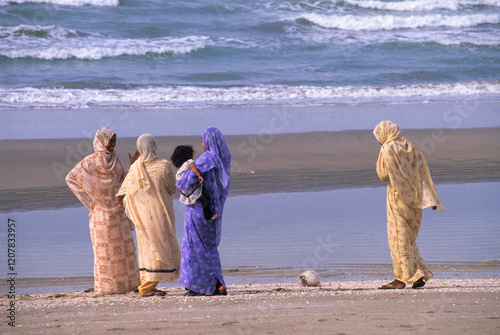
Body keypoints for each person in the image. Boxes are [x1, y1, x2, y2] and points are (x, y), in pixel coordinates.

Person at [65, 127, 140, 294]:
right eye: (109, 141)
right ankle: (107, 288)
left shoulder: (116, 160)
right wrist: (91, 202)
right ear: (100, 141)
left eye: (114, 141)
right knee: (104, 253)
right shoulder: (90, 162)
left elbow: (123, 182)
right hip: (101, 215)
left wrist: (133, 166)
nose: (112, 144)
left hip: (119, 213)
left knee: (123, 251)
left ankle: (129, 285)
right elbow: (71, 179)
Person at [373, 120, 444, 289]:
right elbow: (422, 172)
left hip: (398, 198)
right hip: (416, 199)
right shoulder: (411, 146)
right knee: (408, 240)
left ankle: (402, 279)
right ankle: (418, 274)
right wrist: (431, 197)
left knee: (398, 240)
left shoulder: (387, 148)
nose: (378, 140)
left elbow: (383, 175)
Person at [116, 133, 181, 297]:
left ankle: (147, 285)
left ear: (139, 149)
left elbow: (120, 196)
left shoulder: (134, 169)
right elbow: (173, 188)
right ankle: (146, 287)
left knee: (148, 249)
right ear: (155, 147)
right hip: (160, 214)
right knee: (162, 247)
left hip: (142, 217)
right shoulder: (164, 166)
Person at [176, 127, 231, 296]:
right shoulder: (222, 159)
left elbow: (185, 182)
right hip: (214, 208)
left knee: (195, 246)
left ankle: (199, 285)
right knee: (210, 247)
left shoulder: (207, 158)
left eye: (203, 140)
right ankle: (218, 284)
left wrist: (182, 177)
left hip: (198, 209)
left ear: (208, 141)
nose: (201, 144)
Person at [171, 145, 218, 221]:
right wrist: (199, 175)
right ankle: (208, 216)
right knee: (206, 199)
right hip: (193, 188)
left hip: (185, 189)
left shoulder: (180, 168)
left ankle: (207, 214)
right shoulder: (189, 162)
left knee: (203, 198)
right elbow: (193, 167)